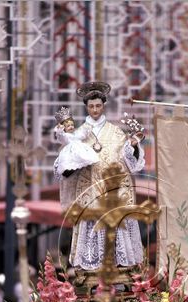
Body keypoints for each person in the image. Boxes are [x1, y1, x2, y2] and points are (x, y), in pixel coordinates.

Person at [58, 81, 145, 270]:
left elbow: (131, 163)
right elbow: (65, 164)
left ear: (103, 105)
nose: (95, 110)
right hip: (88, 191)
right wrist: (71, 165)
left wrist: (134, 146)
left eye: (98, 106)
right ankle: (91, 266)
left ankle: (120, 263)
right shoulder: (78, 134)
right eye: (91, 106)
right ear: (86, 107)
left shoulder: (116, 133)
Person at [53, 106, 99, 178]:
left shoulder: (76, 134)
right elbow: (61, 137)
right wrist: (59, 130)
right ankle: (70, 171)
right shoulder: (66, 137)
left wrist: (88, 127)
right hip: (70, 152)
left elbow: (83, 134)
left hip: (81, 149)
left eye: (72, 125)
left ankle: (84, 168)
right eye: (68, 126)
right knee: (69, 162)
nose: (71, 127)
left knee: (85, 157)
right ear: (64, 128)